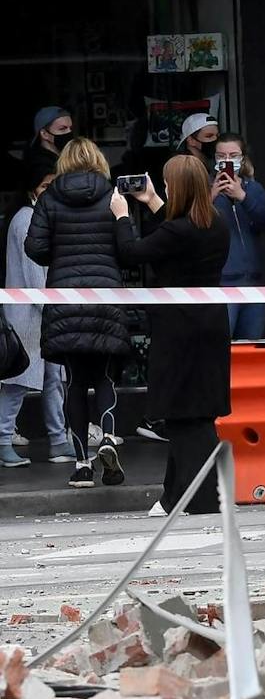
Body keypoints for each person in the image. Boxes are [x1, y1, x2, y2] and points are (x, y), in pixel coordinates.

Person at [110, 157, 231, 514]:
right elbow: (177, 231)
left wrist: (121, 215)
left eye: (164, 184)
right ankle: (173, 495)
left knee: (182, 414)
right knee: (195, 413)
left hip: (178, 331)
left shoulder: (178, 232)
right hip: (209, 325)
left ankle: (206, 496)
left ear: (176, 187)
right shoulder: (215, 224)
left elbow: (132, 253)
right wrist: (151, 202)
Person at [25, 138, 132, 488]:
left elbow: (35, 248)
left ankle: (82, 464)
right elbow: (126, 246)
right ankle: (107, 438)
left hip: (65, 299)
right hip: (104, 297)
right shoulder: (113, 194)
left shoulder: (50, 198)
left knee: (74, 382)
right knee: (104, 377)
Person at [0, 168, 70, 468]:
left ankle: (59, 440)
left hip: (40, 312)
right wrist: (56, 309)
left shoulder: (34, 217)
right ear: (33, 189)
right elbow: (34, 278)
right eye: (45, 184)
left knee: (52, 379)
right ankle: (4, 441)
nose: (51, 190)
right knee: (19, 381)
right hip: (31, 315)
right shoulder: (27, 220)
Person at [212, 133, 265, 341]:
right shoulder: (206, 192)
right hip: (222, 284)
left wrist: (243, 197)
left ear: (243, 158)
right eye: (221, 156)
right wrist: (210, 197)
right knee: (222, 348)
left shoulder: (253, 188)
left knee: (251, 348)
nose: (227, 161)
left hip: (253, 283)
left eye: (233, 155)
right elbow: (194, 226)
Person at [24, 107, 73, 188]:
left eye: (70, 128)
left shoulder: (65, 158)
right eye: (62, 129)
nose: (69, 132)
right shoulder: (40, 168)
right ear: (44, 134)